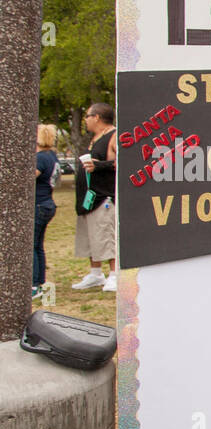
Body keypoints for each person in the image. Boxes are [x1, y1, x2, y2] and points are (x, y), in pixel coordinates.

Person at [71, 103, 118, 292]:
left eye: (87, 116)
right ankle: (95, 273)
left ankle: (114, 275)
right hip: (88, 198)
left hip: (103, 197)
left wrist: (100, 166)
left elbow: (125, 161)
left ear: (97, 117)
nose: (86, 120)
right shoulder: (95, 138)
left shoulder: (114, 136)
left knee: (105, 236)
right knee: (91, 237)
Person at [34, 124, 59, 298]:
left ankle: (34, 285)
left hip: (39, 204)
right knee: (38, 246)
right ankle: (40, 282)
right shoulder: (52, 156)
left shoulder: (39, 158)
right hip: (48, 203)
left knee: (32, 247)